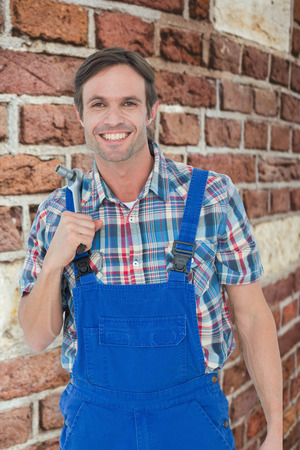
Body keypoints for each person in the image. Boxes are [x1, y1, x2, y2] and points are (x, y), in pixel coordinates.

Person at [19, 47, 282, 450]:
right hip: (96, 427)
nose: (113, 118)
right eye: (98, 104)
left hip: (191, 423)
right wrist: (55, 263)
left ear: (150, 111)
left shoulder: (211, 195)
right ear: (80, 116)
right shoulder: (58, 213)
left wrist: (277, 434)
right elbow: (37, 338)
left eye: (128, 102)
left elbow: (252, 318)